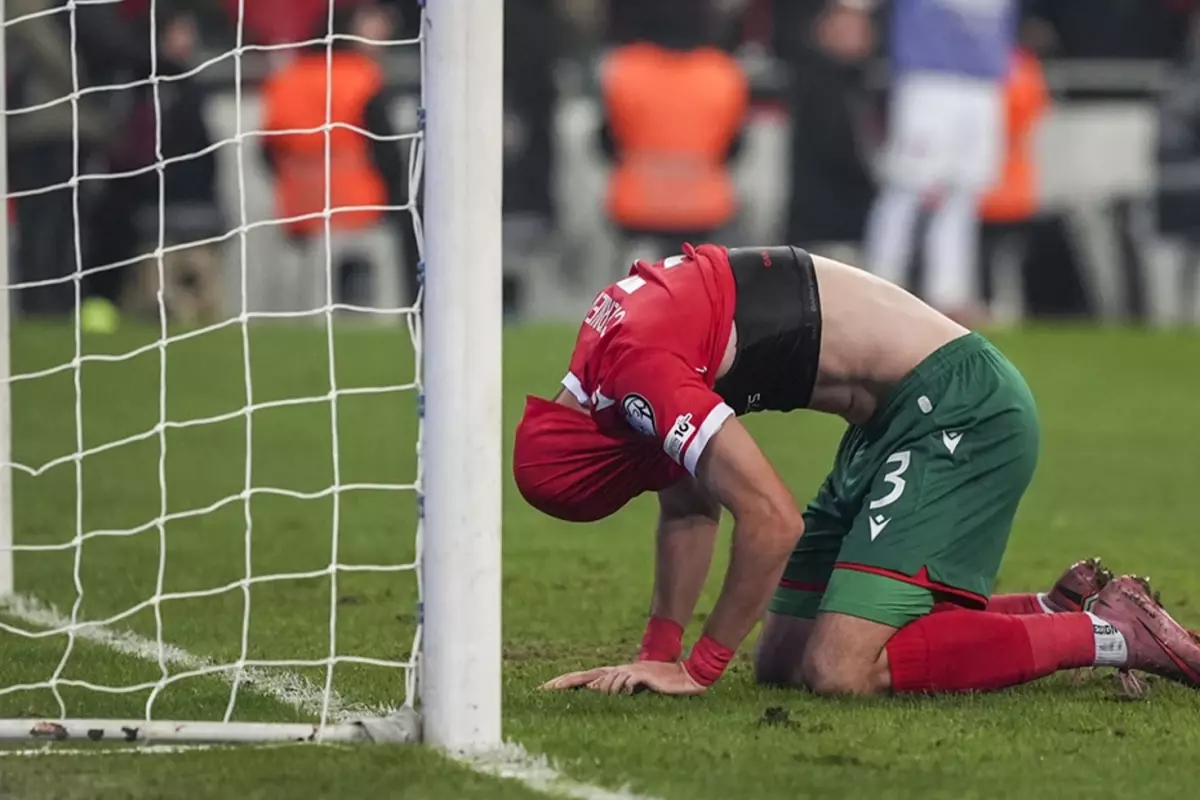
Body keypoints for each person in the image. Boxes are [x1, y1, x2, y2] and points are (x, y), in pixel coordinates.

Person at [514, 243, 1200, 697]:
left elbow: (769, 520)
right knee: (783, 660)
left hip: (958, 407)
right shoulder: (600, 359)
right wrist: (656, 650)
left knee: (841, 668)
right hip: (888, 421)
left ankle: (1115, 634)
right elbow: (689, 504)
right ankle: (1050, 610)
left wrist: (696, 670)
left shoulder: (638, 374)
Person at [864, 0, 1018, 325]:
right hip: (928, 79)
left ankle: (949, 296)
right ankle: (878, 285)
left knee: (963, 195)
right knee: (906, 189)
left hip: (985, 82)